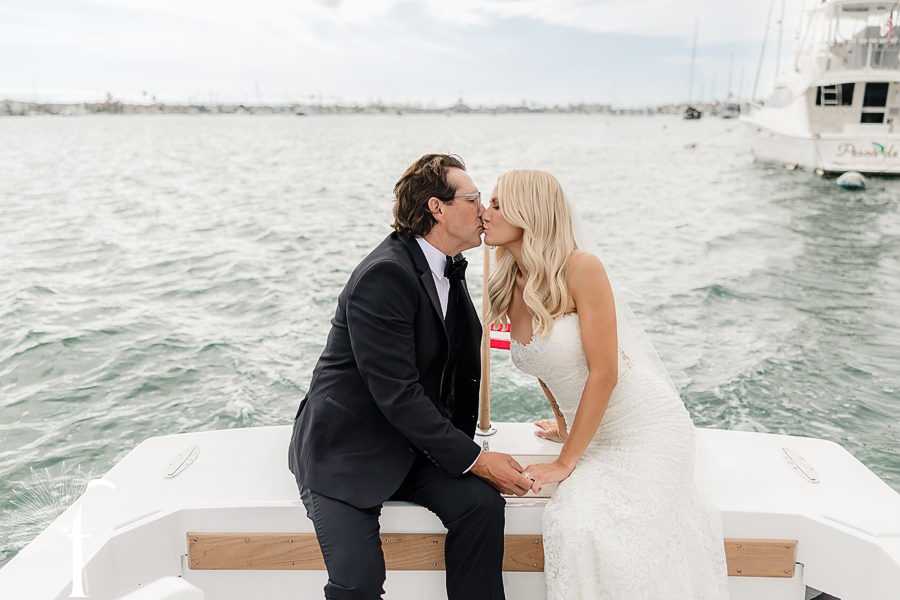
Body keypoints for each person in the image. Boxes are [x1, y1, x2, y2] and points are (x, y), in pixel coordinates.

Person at [288, 154, 532, 600]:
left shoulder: (446, 266)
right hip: (346, 448)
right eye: (474, 199)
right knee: (358, 582)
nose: (483, 211)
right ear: (437, 208)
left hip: (413, 444)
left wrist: (461, 453)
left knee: (481, 506)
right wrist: (478, 460)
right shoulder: (385, 275)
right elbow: (397, 394)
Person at [481, 169, 730, 599]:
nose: (485, 213)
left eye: (498, 205)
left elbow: (605, 372)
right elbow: (543, 365)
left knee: (593, 527)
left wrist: (564, 461)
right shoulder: (508, 282)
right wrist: (563, 421)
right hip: (589, 431)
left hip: (646, 428)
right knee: (572, 523)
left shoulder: (582, 267)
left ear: (529, 213)